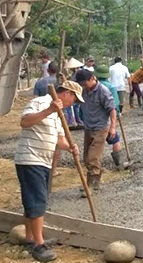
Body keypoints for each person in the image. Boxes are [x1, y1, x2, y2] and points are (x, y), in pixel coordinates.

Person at [14, 80, 83, 262]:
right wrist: (49, 110)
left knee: (34, 199)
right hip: (30, 158)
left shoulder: (60, 114)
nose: (73, 104)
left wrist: (70, 147)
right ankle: (38, 244)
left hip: (43, 161)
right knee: (37, 201)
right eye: (75, 100)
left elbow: (59, 140)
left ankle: (31, 239)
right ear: (67, 93)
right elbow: (24, 122)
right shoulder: (41, 102)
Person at [74, 69, 117, 193]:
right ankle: (93, 179)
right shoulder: (84, 91)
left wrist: (112, 127)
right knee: (86, 157)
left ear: (92, 79)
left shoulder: (103, 91)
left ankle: (92, 184)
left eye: (85, 84)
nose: (83, 86)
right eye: (81, 84)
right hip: (88, 127)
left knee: (93, 156)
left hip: (101, 128)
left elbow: (112, 109)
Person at [93, 66, 130, 170]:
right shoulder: (111, 87)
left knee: (94, 143)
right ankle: (119, 163)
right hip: (107, 118)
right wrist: (117, 114)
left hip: (94, 118)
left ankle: (93, 163)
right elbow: (115, 104)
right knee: (114, 139)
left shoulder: (93, 86)